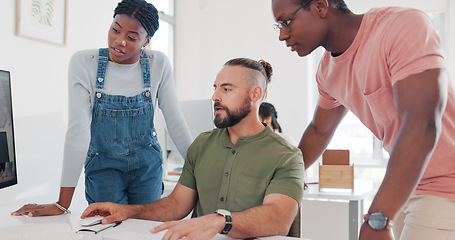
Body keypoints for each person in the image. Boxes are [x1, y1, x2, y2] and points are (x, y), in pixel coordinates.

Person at [271, 0, 455, 239]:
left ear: (320, 6)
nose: (282, 36)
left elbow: (422, 126)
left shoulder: (401, 25)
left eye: (286, 22)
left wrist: (378, 218)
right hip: (407, 185)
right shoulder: (327, 71)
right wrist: (280, 181)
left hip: (447, 186)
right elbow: (319, 130)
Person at [80, 58, 305, 239]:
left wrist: (220, 221)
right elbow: (176, 205)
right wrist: (128, 211)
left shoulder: (287, 156)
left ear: (254, 94)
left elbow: (278, 219)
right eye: (215, 88)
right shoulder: (202, 144)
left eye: (226, 89)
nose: (215, 97)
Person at [12, 0, 192, 217]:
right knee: (108, 230)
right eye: (115, 29)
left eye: (132, 37)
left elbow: (176, 124)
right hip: (103, 168)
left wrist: (201, 175)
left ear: (146, 41)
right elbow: (78, 132)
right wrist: (62, 203)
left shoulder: (158, 64)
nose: (119, 41)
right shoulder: (83, 63)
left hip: (147, 169)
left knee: (146, 232)